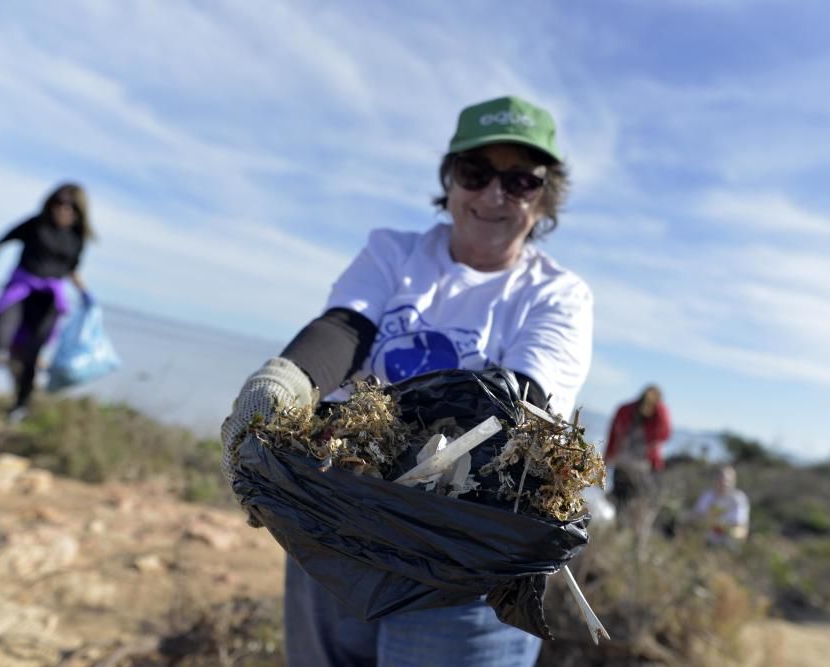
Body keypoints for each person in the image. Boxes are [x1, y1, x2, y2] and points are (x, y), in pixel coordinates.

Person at [220, 95, 593, 667]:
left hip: (465, 573)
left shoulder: (557, 295)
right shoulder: (395, 253)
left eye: (520, 181)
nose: (494, 195)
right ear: (450, 179)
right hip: (336, 530)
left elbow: (522, 405)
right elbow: (345, 329)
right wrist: (284, 378)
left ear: (544, 198)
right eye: (476, 173)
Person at [0, 183, 94, 424]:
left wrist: (86, 295)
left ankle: (20, 407)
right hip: (20, 291)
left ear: (79, 211)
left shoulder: (77, 238)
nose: (63, 209)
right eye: (59, 203)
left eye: (70, 206)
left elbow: (72, 270)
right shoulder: (35, 224)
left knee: (30, 355)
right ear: (50, 203)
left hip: (48, 302)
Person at [603, 384, 671, 508]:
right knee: (621, 503)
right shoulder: (625, 410)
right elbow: (613, 436)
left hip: (644, 467)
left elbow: (665, 433)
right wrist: (605, 460)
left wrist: (660, 409)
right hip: (624, 465)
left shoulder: (657, 416)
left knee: (639, 504)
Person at [692, 465, 750, 548]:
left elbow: (740, 525)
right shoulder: (707, 496)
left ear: (734, 481)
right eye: (721, 479)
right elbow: (696, 516)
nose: (724, 483)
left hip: (729, 543)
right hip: (706, 541)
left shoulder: (738, 499)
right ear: (715, 480)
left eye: (728, 480)